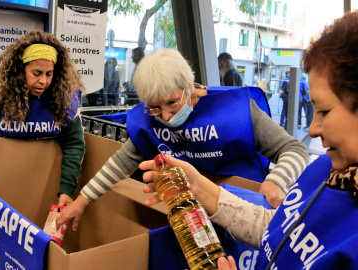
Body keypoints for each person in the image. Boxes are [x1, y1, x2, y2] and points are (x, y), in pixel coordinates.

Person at [141, 11, 358, 269]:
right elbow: (276, 228)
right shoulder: (328, 172)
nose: (312, 129)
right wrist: (198, 187)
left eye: (324, 111)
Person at [56, 49, 308, 230]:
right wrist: (82, 200)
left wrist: (278, 180)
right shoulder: (149, 119)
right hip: (195, 222)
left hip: (248, 213)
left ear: (189, 87)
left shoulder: (236, 111)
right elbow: (119, 163)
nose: (164, 115)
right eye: (154, 107)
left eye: (172, 102)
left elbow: (294, 149)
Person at [0, 30, 85, 209]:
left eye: (49, 74)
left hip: (40, 190)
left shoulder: (64, 103)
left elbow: (74, 145)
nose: (43, 81)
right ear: (19, 71)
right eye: (36, 73)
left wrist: (66, 189)